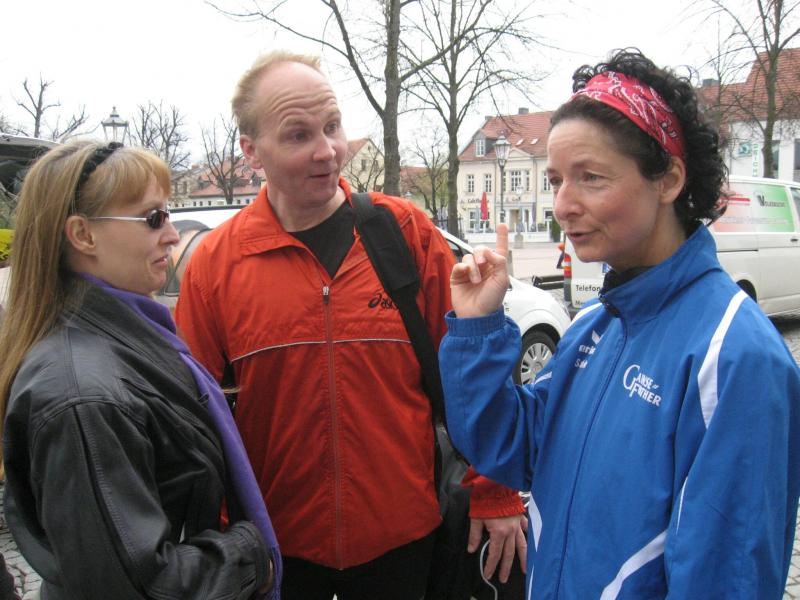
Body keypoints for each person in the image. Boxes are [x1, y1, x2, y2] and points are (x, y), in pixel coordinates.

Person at [439, 49, 800, 598]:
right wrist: (477, 329)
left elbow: (727, 575)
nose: (563, 205)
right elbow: (512, 448)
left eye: (590, 177)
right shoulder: (594, 326)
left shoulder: (734, 356)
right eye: (556, 180)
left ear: (668, 180)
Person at [175, 50, 527, 600]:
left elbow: (470, 374)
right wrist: (220, 540)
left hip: (405, 543)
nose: (328, 150)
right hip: (278, 555)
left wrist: (494, 486)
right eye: (298, 135)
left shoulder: (404, 233)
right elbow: (195, 421)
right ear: (251, 152)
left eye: (333, 126)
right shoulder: (217, 265)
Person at [0, 140, 280, 599]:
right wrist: (251, 555)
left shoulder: (125, 339)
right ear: (83, 235)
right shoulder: (83, 395)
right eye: (153, 218)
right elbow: (137, 583)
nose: (172, 234)